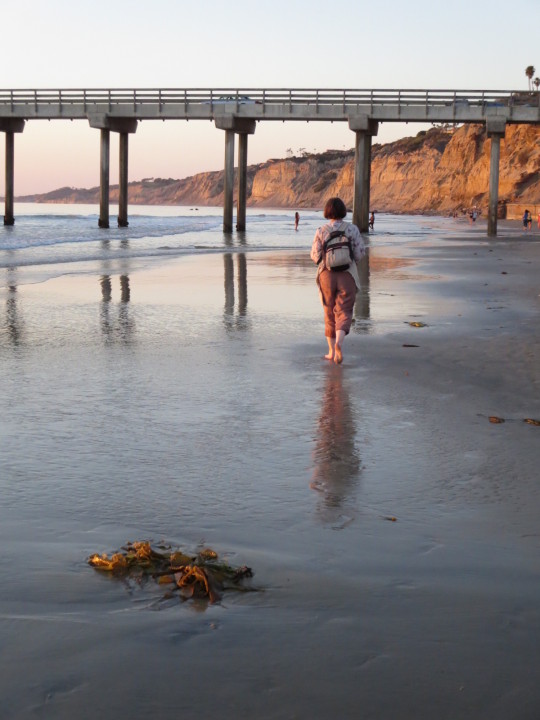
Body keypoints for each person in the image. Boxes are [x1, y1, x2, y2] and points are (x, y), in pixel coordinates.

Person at [311, 197, 365, 364]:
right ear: (343, 211)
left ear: (327, 212)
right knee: (344, 310)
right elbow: (359, 253)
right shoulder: (352, 229)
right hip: (347, 274)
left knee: (328, 311)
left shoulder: (321, 230)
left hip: (326, 274)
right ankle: (339, 345)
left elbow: (315, 255)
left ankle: (330, 351)